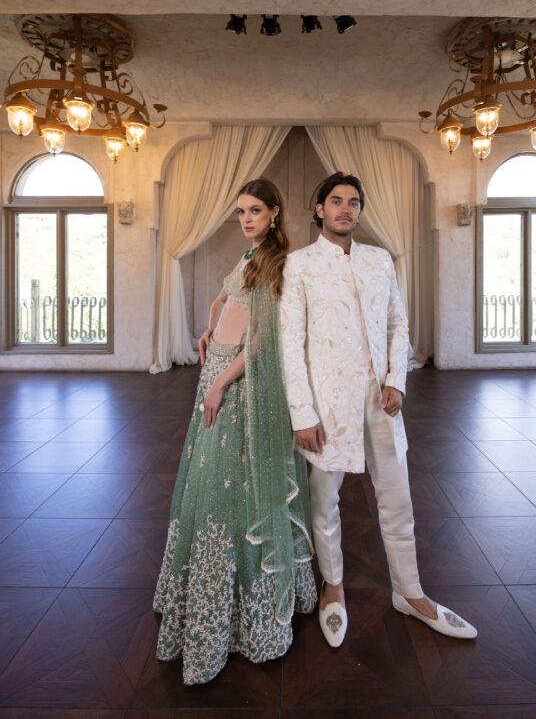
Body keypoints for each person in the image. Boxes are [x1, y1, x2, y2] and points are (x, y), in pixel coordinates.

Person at [279, 172, 476, 647]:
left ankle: (410, 593)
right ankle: (334, 587)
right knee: (325, 502)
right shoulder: (299, 264)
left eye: (353, 202)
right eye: (336, 201)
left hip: (381, 402)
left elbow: (396, 322)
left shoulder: (379, 260)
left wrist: (397, 380)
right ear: (319, 209)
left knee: (398, 498)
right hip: (327, 405)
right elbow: (291, 342)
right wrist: (302, 413)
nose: (345, 209)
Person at [154, 178, 317, 684]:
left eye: (254, 211)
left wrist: (220, 383)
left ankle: (250, 605)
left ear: (274, 213)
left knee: (238, 486)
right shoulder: (248, 257)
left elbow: (264, 342)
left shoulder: (277, 264)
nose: (246, 219)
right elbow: (226, 295)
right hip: (216, 368)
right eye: (241, 211)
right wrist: (209, 325)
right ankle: (208, 596)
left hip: (239, 385)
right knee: (210, 483)